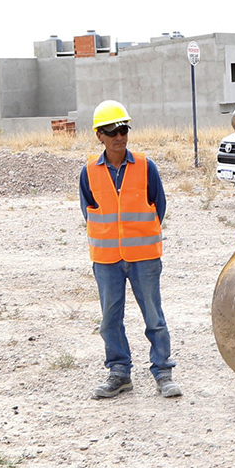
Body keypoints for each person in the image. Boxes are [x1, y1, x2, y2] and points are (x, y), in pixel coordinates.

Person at [79, 100, 179, 400]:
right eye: (111, 131)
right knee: (110, 319)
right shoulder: (88, 172)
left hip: (144, 257)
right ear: (99, 135)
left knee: (154, 316)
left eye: (123, 129)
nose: (118, 136)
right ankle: (119, 373)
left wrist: (138, 235)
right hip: (107, 259)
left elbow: (158, 206)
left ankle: (163, 372)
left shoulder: (146, 167)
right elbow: (89, 211)